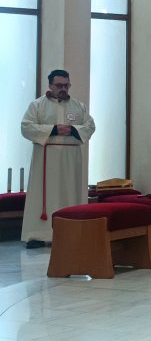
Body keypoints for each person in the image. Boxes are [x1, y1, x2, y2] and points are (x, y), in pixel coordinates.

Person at [20, 69, 96, 248]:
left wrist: (73, 130)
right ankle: (38, 235)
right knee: (44, 196)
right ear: (50, 85)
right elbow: (26, 127)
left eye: (66, 85)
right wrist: (53, 130)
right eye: (59, 85)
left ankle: (71, 233)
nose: (63, 89)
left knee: (70, 193)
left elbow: (90, 126)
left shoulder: (79, 106)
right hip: (46, 158)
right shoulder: (37, 105)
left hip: (71, 158)